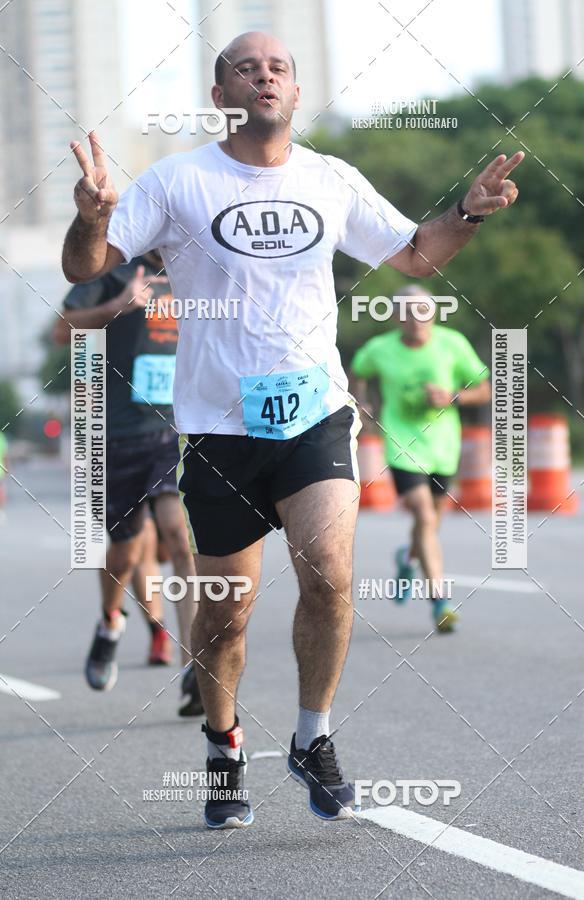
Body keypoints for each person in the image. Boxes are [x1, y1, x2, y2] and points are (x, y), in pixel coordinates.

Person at [61, 30, 522, 828]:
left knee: (331, 575)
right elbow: (83, 268)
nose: (265, 76)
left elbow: (414, 257)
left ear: (296, 94)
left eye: (279, 68)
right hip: (217, 429)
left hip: (314, 413)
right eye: (247, 67)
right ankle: (223, 743)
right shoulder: (178, 182)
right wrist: (93, 220)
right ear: (221, 94)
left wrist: (466, 213)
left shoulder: (330, 178)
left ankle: (314, 736)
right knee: (227, 612)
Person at [55, 255, 203, 716]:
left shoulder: (193, 274)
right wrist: (118, 306)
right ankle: (110, 623)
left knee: (178, 538)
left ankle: (195, 671)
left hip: (171, 433)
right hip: (114, 435)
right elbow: (62, 329)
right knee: (126, 549)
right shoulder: (111, 273)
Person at [351, 285, 491, 631]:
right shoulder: (379, 349)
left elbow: (485, 388)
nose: (417, 319)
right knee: (425, 517)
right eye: (409, 312)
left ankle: (407, 558)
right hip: (402, 445)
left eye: (424, 312)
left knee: (431, 523)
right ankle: (440, 602)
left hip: (444, 447)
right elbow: (358, 373)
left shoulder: (452, 344)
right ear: (396, 316)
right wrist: (361, 403)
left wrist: (453, 397)